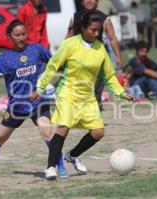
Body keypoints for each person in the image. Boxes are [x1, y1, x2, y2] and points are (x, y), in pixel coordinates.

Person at [30, 11, 135, 180]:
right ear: (83, 28)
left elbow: (109, 76)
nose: (96, 33)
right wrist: (40, 88)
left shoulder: (100, 49)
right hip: (68, 93)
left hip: (87, 96)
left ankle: (72, 155)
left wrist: (122, 93)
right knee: (63, 127)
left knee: (98, 132)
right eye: (93, 30)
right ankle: (50, 167)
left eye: (99, 31)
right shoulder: (70, 44)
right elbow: (52, 66)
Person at [0, 19, 67, 178]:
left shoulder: (37, 50)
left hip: (38, 102)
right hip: (17, 106)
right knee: (0, 137)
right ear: (9, 37)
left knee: (47, 131)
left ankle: (60, 167)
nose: (21, 37)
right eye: (17, 35)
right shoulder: (4, 58)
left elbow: (55, 64)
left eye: (24, 34)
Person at [66, 0, 123, 110]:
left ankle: (95, 107)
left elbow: (113, 39)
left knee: (96, 89)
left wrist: (118, 57)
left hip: (97, 58)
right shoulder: (76, 17)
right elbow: (69, 36)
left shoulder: (104, 18)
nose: (89, 1)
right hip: (79, 59)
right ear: (82, 2)